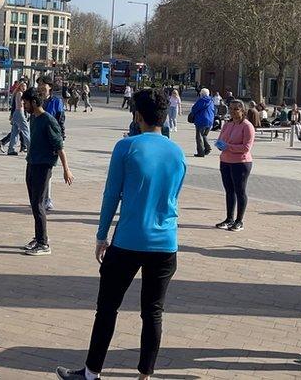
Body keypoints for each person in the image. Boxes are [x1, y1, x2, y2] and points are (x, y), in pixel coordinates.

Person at [56, 89, 185, 380]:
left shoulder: (126, 147)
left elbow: (111, 195)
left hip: (128, 240)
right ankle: (145, 375)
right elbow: (173, 195)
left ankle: (91, 373)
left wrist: (102, 236)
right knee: (153, 312)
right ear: (164, 117)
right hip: (165, 242)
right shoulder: (177, 152)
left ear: (137, 116)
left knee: (107, 310)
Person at [21, 88, 74, 256]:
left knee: (38, 204)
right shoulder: (34, 119)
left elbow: (59, 146)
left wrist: (66, 169)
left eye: (26, 103)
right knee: (34, 204)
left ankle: (43, 243)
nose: (24, 106)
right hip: (32, 163)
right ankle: (38, 237)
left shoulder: (48, 120)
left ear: (34, 102)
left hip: (43, 166)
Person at [215, 100, 255, 232]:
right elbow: (221, 139)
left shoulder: (247, 126)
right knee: (229, 191)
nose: (232, 111)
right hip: (225, 161)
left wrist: (229, 147)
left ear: (242, 111)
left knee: (240, 191)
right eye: (230, 109)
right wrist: (220, 145)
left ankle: (239, 221)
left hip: (241, 163)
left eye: (235, 109)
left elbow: (246, 147)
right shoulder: (227, 124)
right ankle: (229, 219)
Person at [39, 77, 67, 210]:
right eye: (39, 85)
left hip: (51, 139)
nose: (41, 87)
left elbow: (60, 120)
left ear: (49, 86)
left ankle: (47, 198)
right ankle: (40, 197)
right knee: (38, 169)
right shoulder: (37, 100)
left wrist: (61, 137)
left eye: (43, 85)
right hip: (39, 139)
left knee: (47, 170)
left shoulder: (56, 101)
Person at [6, 80, 30, 156]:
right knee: (26, 131)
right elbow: (20, 105)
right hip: (20, 112)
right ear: (20, 86)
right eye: (23, 86)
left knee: (15, 132)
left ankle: (11, 149)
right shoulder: (20, 93)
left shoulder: (17, 93)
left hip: (16, 113)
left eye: (25, 86)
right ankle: (31, 149)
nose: (25, 88)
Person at [190, 88, 216, 157]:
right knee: (204, 135)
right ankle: (207, 148)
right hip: (210, 120)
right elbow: (214, 110)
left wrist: (192, 114)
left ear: (202, 94)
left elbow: (194, 109)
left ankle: (200, 152)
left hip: (201, 120)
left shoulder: (202, 100)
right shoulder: (211, 101)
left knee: (199, 136)